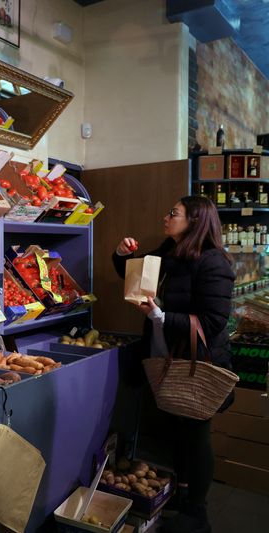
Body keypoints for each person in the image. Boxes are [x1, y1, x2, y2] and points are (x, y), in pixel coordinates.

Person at [112, 196, 235, 533]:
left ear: (194, 221)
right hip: (169, 357)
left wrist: (160, 316)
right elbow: (137, 278)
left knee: (196, 434)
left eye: (174, 214)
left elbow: (212, 322)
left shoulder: (214, 264)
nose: (166, 217)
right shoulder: (170, 251)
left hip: (197, 361)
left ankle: (198, 513)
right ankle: (182, 495)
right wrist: (123, 256)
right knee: (178, 430)